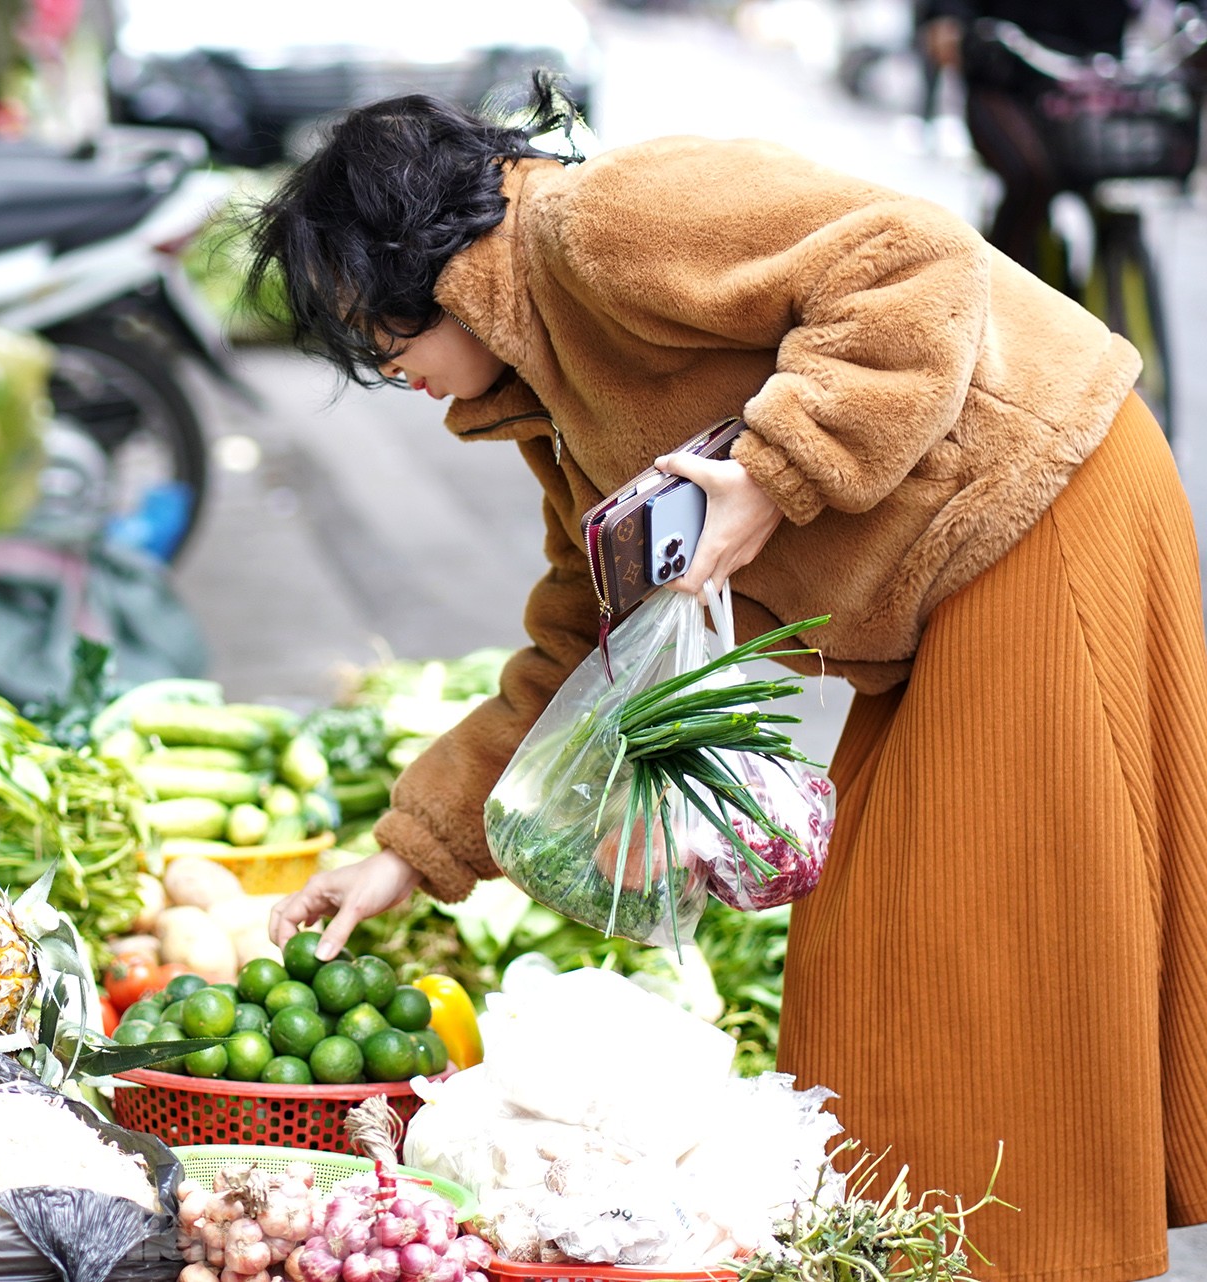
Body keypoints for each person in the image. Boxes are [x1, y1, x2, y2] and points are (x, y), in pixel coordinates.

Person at [250, 83, 1207, 1282]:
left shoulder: (602, 225)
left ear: (419, 266)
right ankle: (931, 1255)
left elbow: (912, 263)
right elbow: (576, 646)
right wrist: (410, 847)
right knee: (870, 967)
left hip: (1038, 504)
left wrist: (771, 470)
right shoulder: (543, 392)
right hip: (936, 588)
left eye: (375, 337)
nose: (389, 371)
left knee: (994, 955)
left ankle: (1031, 1259)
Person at [918, 0, 1138, 275]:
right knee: (1030, 176)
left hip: (1087, 88)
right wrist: (950, 21)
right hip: (1002, 80)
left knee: (1112, 169)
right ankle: (995, 283)